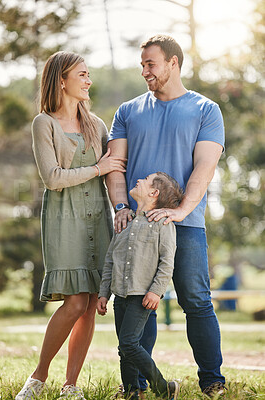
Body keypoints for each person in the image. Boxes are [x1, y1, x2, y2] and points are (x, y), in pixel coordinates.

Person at [105, 34, 226, 398]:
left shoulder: (206, 109)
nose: (144, 71)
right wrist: (122, 207)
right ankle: (136, 388)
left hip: (184, 225)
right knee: (139, 302)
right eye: (142, 64)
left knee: (196, 301)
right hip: (136, 228)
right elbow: (116, 165)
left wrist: (181, 210)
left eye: (150, 64)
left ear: (173, 63)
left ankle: (212, 381)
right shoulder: (127, 111)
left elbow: (205, 166)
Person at [15, 51, 126, 400]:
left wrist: (121, 208)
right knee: (75, 301)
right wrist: (97, 169)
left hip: (99, 219)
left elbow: (114, 174)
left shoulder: (98, 125)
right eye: (82, 74)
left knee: (91, 301)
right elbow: (52, 178)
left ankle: (71, 385)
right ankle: (37, 377)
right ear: (61, 80)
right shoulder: (43, 123)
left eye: (88, 74)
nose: (88, 80)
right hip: (65, 220)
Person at [97, 172, 184, 400]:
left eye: (146, 179)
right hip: (120, 296)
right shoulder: (124, 222)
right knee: (123, 349)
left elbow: (167, 262)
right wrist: (104, 293)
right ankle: (132, 392)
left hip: (142, 296)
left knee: (129, 343)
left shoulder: (162, 224)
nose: (139, 180)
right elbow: (110, 260)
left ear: (154, 193)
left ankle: (164, 387)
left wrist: (156, 291)